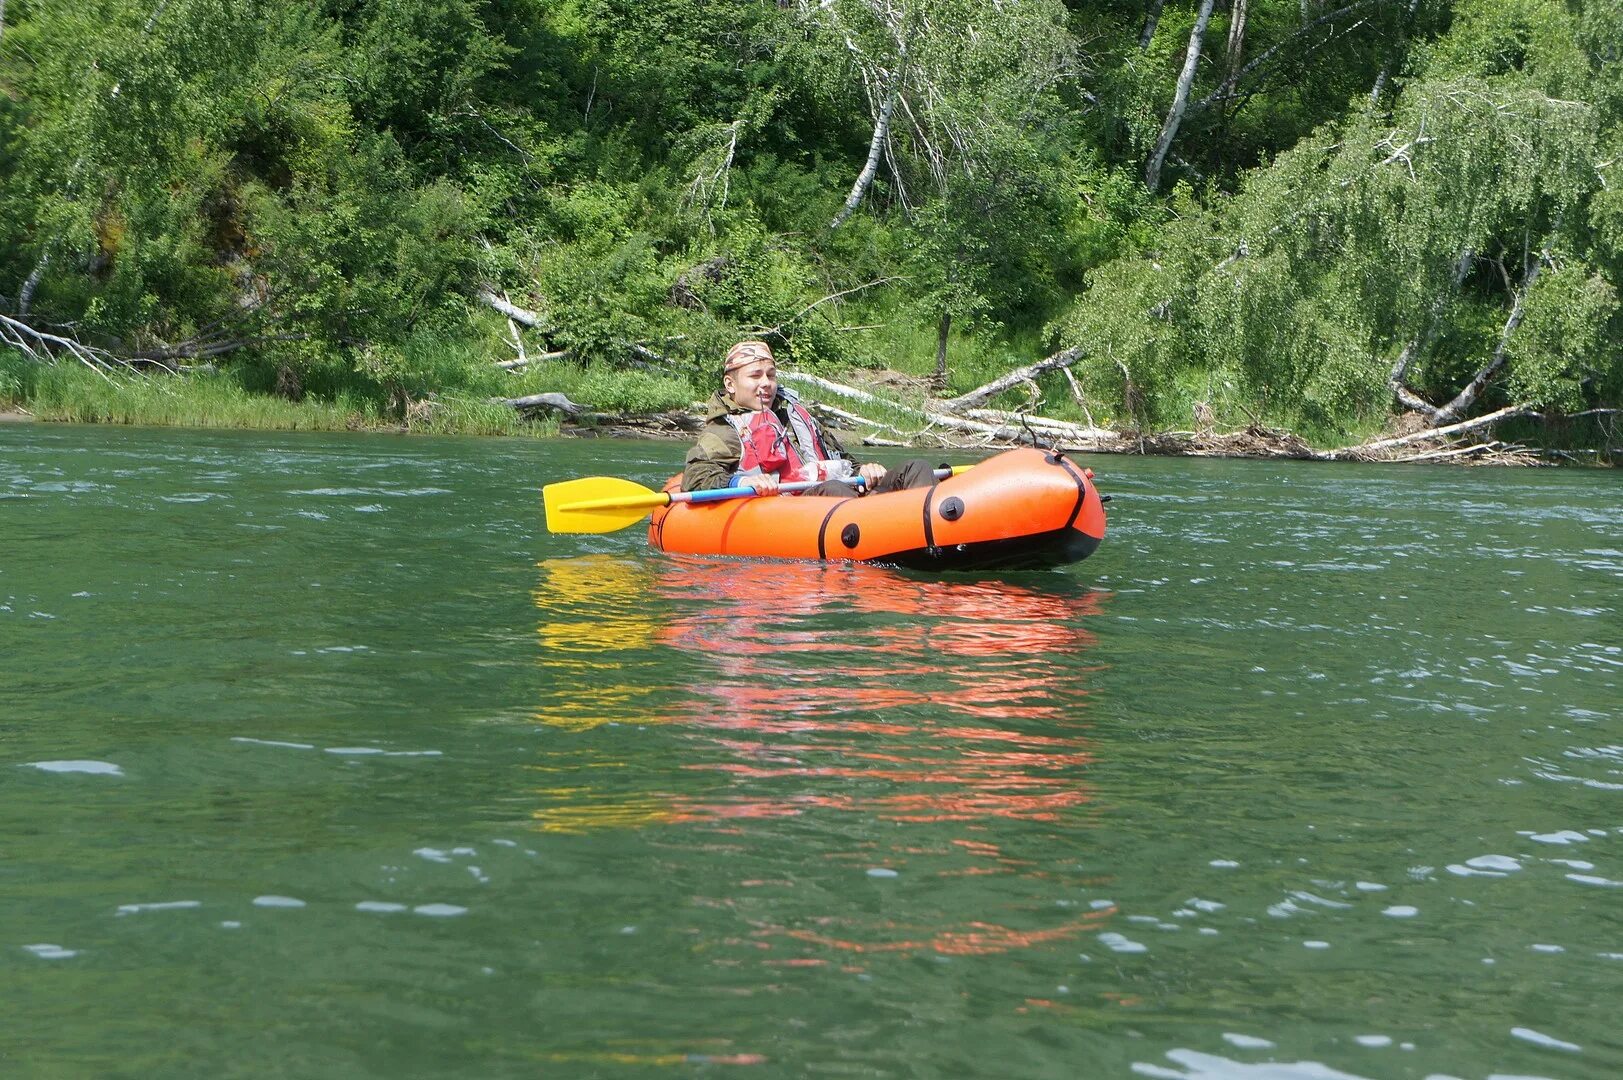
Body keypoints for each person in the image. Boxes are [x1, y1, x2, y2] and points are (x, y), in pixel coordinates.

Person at [683, 340, 939, 496]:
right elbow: (696, 478)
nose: (766, 384)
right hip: (798, 507)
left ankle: (929, 528)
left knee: (916, 467)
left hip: (841, 495)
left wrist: (866, 469)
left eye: (771, 375)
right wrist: (742, 480)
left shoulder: (797, 417)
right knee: (834, 488)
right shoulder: (723, 430)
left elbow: (843, 461)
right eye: (755, 376)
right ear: (730, 384)